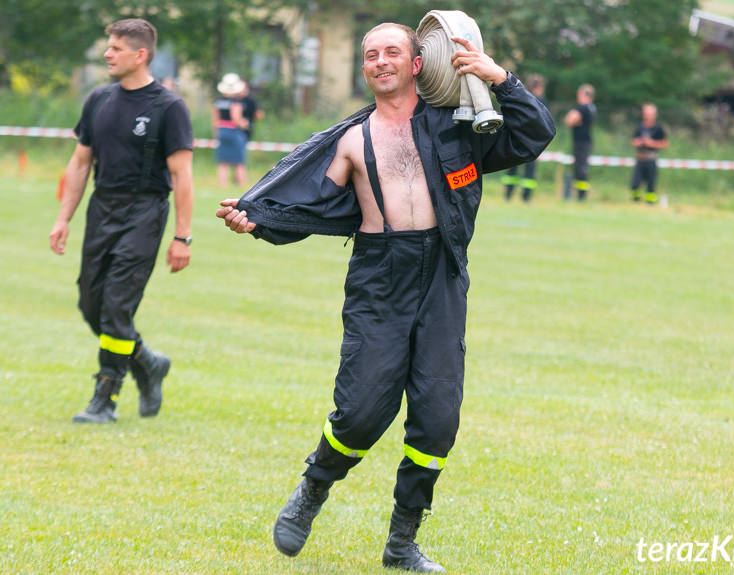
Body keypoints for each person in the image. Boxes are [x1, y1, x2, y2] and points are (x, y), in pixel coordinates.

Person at [217, 22, 554, 573]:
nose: (379, 61)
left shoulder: (460, 124)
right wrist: (256, 221)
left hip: (442, 275)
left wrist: (500, 78)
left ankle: (402, 542)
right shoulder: (351, 140)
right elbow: (311, 207)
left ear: (417, 62)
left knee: (437, 419)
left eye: (391, 52)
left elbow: (533, 134)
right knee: (359, 413)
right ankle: (313, 487)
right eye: (370, 54)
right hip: (380, 278)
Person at [48, 18, 194, 423]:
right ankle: (146, 360)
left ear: (140, 54)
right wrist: (63, 219)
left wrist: (183, 237)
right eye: (108, 47)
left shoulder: (168, 107)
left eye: (115, 48)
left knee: (116, 306)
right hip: (102, 207)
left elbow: (182, 176)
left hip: (145, 211)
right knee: (90, 303)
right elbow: (79, 165)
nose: (107, 54)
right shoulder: (98, 100)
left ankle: (104, 398)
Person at [500, 74, 545, 202]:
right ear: (539, 87)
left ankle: (508, 195)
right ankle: (526, 197)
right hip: (532, 141)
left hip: (516, 138)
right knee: (529, 171)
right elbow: (542, 125)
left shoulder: (522, 97)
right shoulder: (540, 101)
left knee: (512, 167)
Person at [213, 73, 250, 187]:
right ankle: (242, 183)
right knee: (239, 161)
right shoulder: (236, 102)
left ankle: (222, 184)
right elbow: (236, 119)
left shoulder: (218, 102)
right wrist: (244, 123)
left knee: (223, 161)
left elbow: (215, 119)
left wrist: (216, 132)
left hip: (222, 130)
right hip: (234, 132)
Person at [630, 102, 668, 204]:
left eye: (650, 114)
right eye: (646, 113)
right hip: (640, 159)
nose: (648, 116)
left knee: (651, 184)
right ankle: (636, 201)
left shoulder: (658, 128)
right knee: (635, 183)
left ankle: (650, 203)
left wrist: (651, 143)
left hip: (651, 159)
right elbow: (633, 141)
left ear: (655, 115)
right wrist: (640, 142)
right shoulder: (639, 127)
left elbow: (664, 144)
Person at [563, 84, 596, 201]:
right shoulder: (592, 107)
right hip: (585, 142)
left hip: (580, 143)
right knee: (582, 168)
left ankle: (581, 196)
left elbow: (569, 121)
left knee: (580, 169)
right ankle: (581, 194)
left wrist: (572, 118)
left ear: (584, 95)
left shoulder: (582, 108)